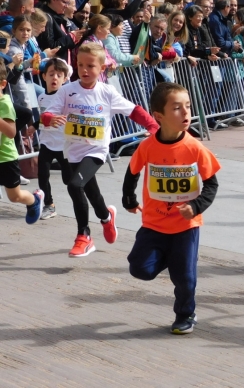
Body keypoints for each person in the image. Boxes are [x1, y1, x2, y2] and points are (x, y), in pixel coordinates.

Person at [40, 42, 159, 257]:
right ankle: (106, 217)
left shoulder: (107, 92)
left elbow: (133, 110)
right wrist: (50, 118)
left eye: (91, 66)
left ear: (101, 69)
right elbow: (47, 113)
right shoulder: (67, 90)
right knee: (90, 192)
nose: (84, 70)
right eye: (80, 65)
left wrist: (153, 127)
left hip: (96, 150)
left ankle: (83, 236)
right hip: (73, 150)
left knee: (75, 185)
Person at [122, 82, 220, 334]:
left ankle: (185, 315)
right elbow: (132, 171)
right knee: (139, 269)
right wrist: (129, 199)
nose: (186, 113)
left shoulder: (195, 147)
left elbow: (211, 184)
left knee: (184, 278)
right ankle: (171, 259)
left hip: (185, 226)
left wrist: (196, 205)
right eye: (177, 108)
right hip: (154, 223)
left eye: (187, 106)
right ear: (159, 116)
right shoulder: (147, 146)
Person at [0, 62, 44, 223]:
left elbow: (11, 132)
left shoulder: (4, 104)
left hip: (5, 158)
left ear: (3, 84)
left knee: (15, 196)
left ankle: (34, 200)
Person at [36, 58, 72, 220]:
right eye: (51, 74)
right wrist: (33, 126)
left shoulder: (66, 97)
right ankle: (49, 205)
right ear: (44, 77)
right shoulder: (42, 97)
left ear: (65, 79)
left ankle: (81, 197)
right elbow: (42, 117)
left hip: (64, 144)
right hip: (46, 142)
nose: (55, 78)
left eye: (59, 75)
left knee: (68, 180)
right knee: (42, 175)